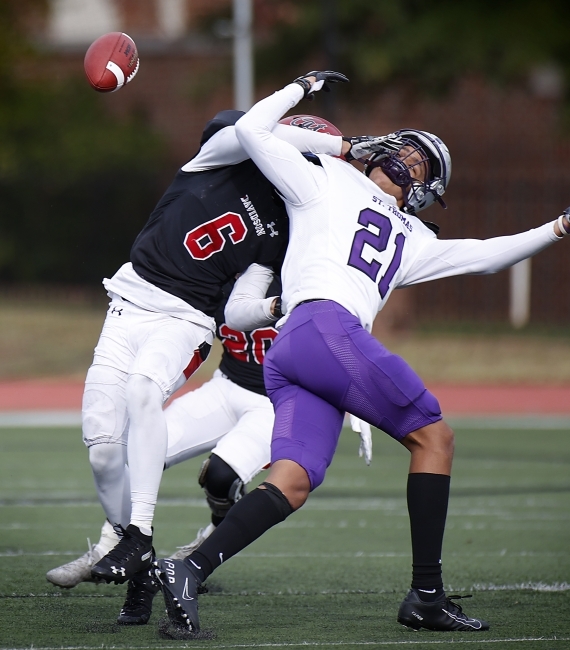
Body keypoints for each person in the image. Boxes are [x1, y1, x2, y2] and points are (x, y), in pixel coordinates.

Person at [153, 71, 570, 635]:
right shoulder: (326, 175)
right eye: (404, 147)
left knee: (295, 478)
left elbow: (485, 256)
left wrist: (560, 226)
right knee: (436, 436)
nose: (405, 158)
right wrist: (306, 93)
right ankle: (427, 595)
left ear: (426, 191)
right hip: (324, 329)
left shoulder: (413, 237)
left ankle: (190, 566)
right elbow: (256, 128)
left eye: (421, 162)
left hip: (300, 350)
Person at [72, 105, 394, 588]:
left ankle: (200, 553)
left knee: (220, 474)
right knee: (131, 450)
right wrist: (273, 306)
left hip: (275, 395)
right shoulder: (236, 178)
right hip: (228, 377)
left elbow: (344, 326)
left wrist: (356, 403)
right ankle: (118, 545)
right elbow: (237, 309)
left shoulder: (306, 240)